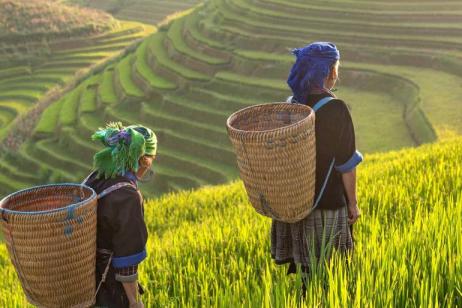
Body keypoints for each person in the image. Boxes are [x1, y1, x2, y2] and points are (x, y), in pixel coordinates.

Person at [271, 42, 363, 292]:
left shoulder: (291, 105)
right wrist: (353, 203)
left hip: (296, 206)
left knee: (306, 274)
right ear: (329, 72)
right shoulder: (336, 109)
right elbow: (346, 164)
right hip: (327, 205)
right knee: (331, 278)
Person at [82, 122, 157, 308]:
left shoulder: (96, 176)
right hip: (108, 287)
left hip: (82, 279)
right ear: (145, 160)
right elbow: (127, 256)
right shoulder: (128, 196)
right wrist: (134, 301)